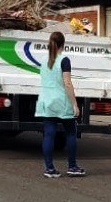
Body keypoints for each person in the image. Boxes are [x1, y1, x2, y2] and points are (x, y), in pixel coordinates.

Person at [36, 31, 86, 178]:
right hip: (62, 101)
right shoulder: (64, 60)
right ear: (63, 44)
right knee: (70, 133)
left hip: (46, 101)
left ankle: (49, 169)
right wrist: (75, 104)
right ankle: (72, 166)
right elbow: (67, 83)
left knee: (49, 134)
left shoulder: (44, 60)